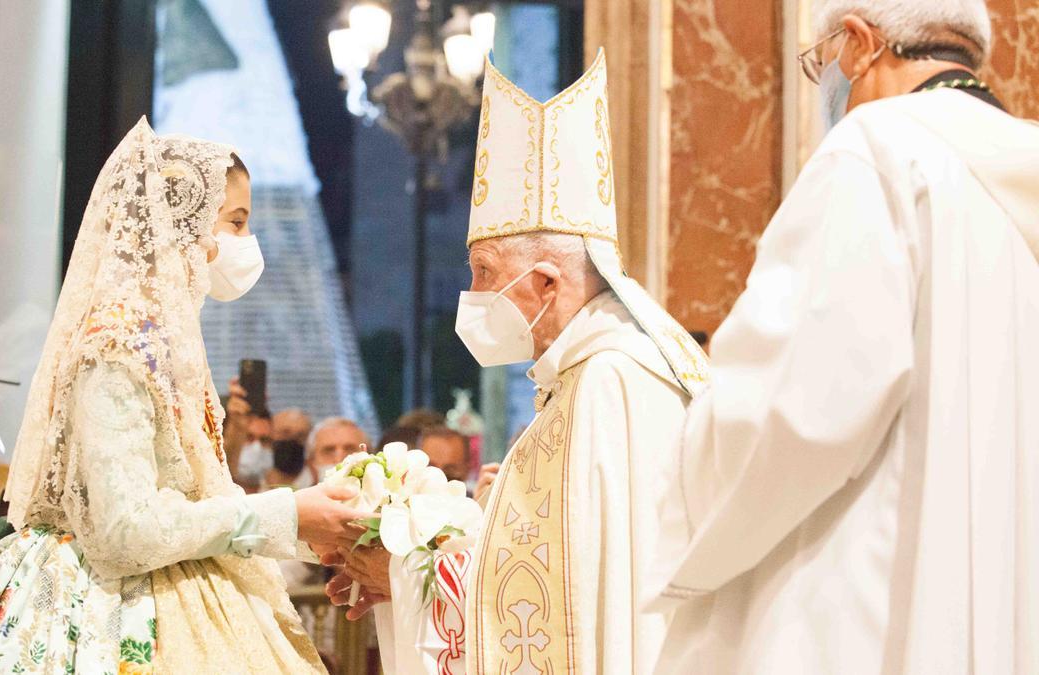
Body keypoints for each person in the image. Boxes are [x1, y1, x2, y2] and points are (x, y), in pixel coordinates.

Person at [646, 2, 1039, 672]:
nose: (825, 83)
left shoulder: (877, 153)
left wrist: (678, 460)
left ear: (859, 44)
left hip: (861, 605)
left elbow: (793, 408)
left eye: (820, 59)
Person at [0, 119, 369, 673]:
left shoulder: (163, 343)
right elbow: (125, 531)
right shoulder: (116, 347)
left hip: (175, 582)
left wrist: (315, 533)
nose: (243, 244)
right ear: (181, 225)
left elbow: (192, 498)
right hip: (96, 605)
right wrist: (290, 513)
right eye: (235, 223)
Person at [327, 51, 710, 674]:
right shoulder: (589, 378)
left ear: (547, 283)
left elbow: (555, 614)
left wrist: (403, 569)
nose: (473, 294)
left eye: (485, 273)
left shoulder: (611, 382)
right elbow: (551, 580)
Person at [299, 417, 368, 488]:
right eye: (328, 451)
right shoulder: (293, 498)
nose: (339, 460)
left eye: (350, 450)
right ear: (311, 462)